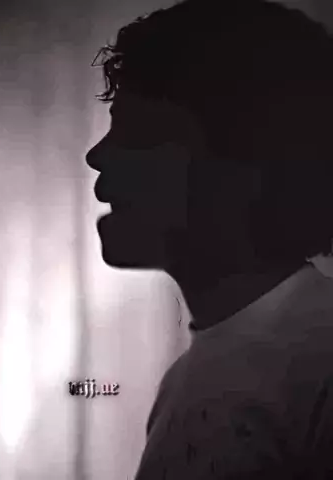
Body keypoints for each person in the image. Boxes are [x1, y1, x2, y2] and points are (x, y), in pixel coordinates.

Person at [85, 0, 333, 478]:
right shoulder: (184, 380)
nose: (97, 156)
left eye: (137, 133)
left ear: (243, 164)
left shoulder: (322, 361)